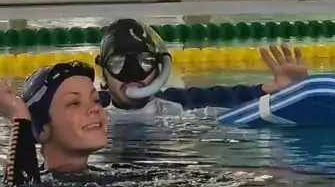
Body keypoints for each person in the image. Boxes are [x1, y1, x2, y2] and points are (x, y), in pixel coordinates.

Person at [96, 17, 308, 120]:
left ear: (160, 69)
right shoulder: (87, 111)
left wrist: (287, 94)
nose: (132, 72)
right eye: (117, 63)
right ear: (102, 73)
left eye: (145, 62)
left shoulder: (182, 106)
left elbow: (230, 97)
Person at [0, 56, 107, 187]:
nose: (94, 108)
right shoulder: (42, 185)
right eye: (74, 103)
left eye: (95, 100)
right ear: (42, 130)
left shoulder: (117, 177)